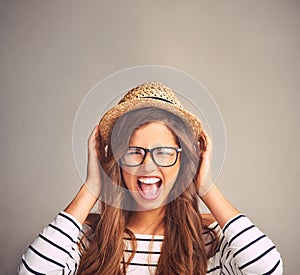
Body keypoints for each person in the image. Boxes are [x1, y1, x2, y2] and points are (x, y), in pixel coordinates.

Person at [18, 82, 283, 274]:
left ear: (182, 161)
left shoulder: (208, 243)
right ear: (117, 160)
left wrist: (206, 187)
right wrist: (92, 187)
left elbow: (267, 269)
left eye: (164, 152)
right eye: (134, 152)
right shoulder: (88, 241)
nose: (148, 165)